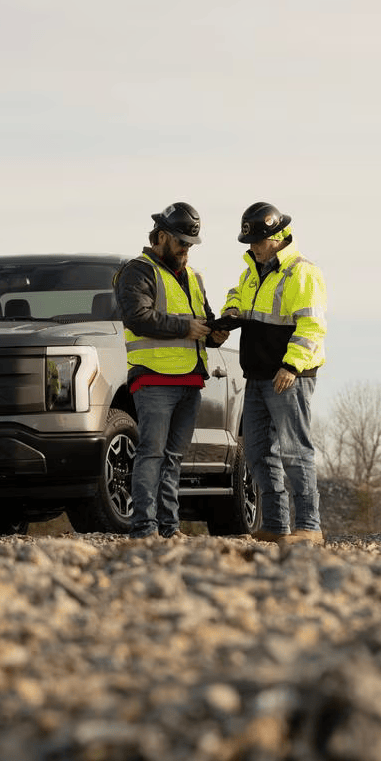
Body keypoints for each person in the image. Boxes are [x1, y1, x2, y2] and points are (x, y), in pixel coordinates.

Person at [114, 202, 230, 539]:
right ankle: (144, 528)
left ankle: (169, 527)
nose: (186, 251)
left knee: (173, 458)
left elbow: (201, 322)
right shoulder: (136, 271)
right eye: (181, 243)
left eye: (191, 244)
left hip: (191, 379)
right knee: (151, 454)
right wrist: (185, 328)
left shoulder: (194, 278)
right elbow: (137, 317)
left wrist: (215, 334)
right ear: (161, 236)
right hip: (153, 379)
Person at [221, 201, 328, 545]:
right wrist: (230, 311)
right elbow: (236, 294)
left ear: (277, 236)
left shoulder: (301, 272)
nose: (251, 247)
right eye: (249, 241)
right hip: (256, 374)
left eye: (256, 241)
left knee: (295, 451)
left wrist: (292, 365)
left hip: (288, 375)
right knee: (257, 452)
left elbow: (312, 326)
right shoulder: (253, 270)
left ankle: (309, 527)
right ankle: (277, 525)